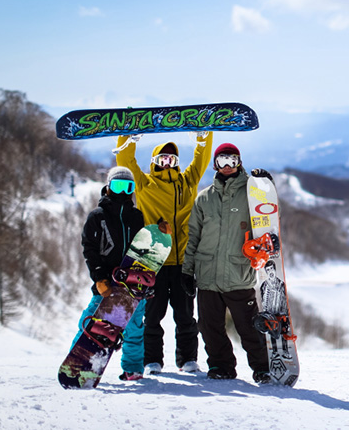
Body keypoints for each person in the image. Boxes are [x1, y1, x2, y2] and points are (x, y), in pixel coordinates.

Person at [115, 132, 213, 374]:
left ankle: (188, 360)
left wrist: (204, 137)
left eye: (171, 158)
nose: (167, 162)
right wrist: (127, 139)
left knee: (186, 316)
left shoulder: (187, 182)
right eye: (162, 159)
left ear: (177, 162)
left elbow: (201, 161)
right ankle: (152, 361)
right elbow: (126, 163)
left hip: (182, 262)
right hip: (153, 262)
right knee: (153, 316)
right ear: (154, 161)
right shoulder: (145, 184)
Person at [182, 143, 272, 382]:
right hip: (207, 274)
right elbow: (193, 237)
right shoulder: (204, 198)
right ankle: (221, 366)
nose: (227, 166)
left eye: (232, 161)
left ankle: (263, 367)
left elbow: (270, 217)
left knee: (249, 327)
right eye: (222, 161)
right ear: (215, 164)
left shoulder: (251, 194)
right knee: (209, 328)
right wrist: (187, 271)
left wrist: (266, 188)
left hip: (238, 274)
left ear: (239, 162)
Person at [74, 166, 146, 381]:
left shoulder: (136, 216)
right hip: (106, 282)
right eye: (118, 186)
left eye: (128, 187)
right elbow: (89, 247)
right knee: (93, 322)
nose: (123, 192)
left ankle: (133, 368)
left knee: (134, 326)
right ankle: (78, 363)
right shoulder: (98, 216)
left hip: (131, 284)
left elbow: (142, 249)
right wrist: (99, 278)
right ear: (108, 188)